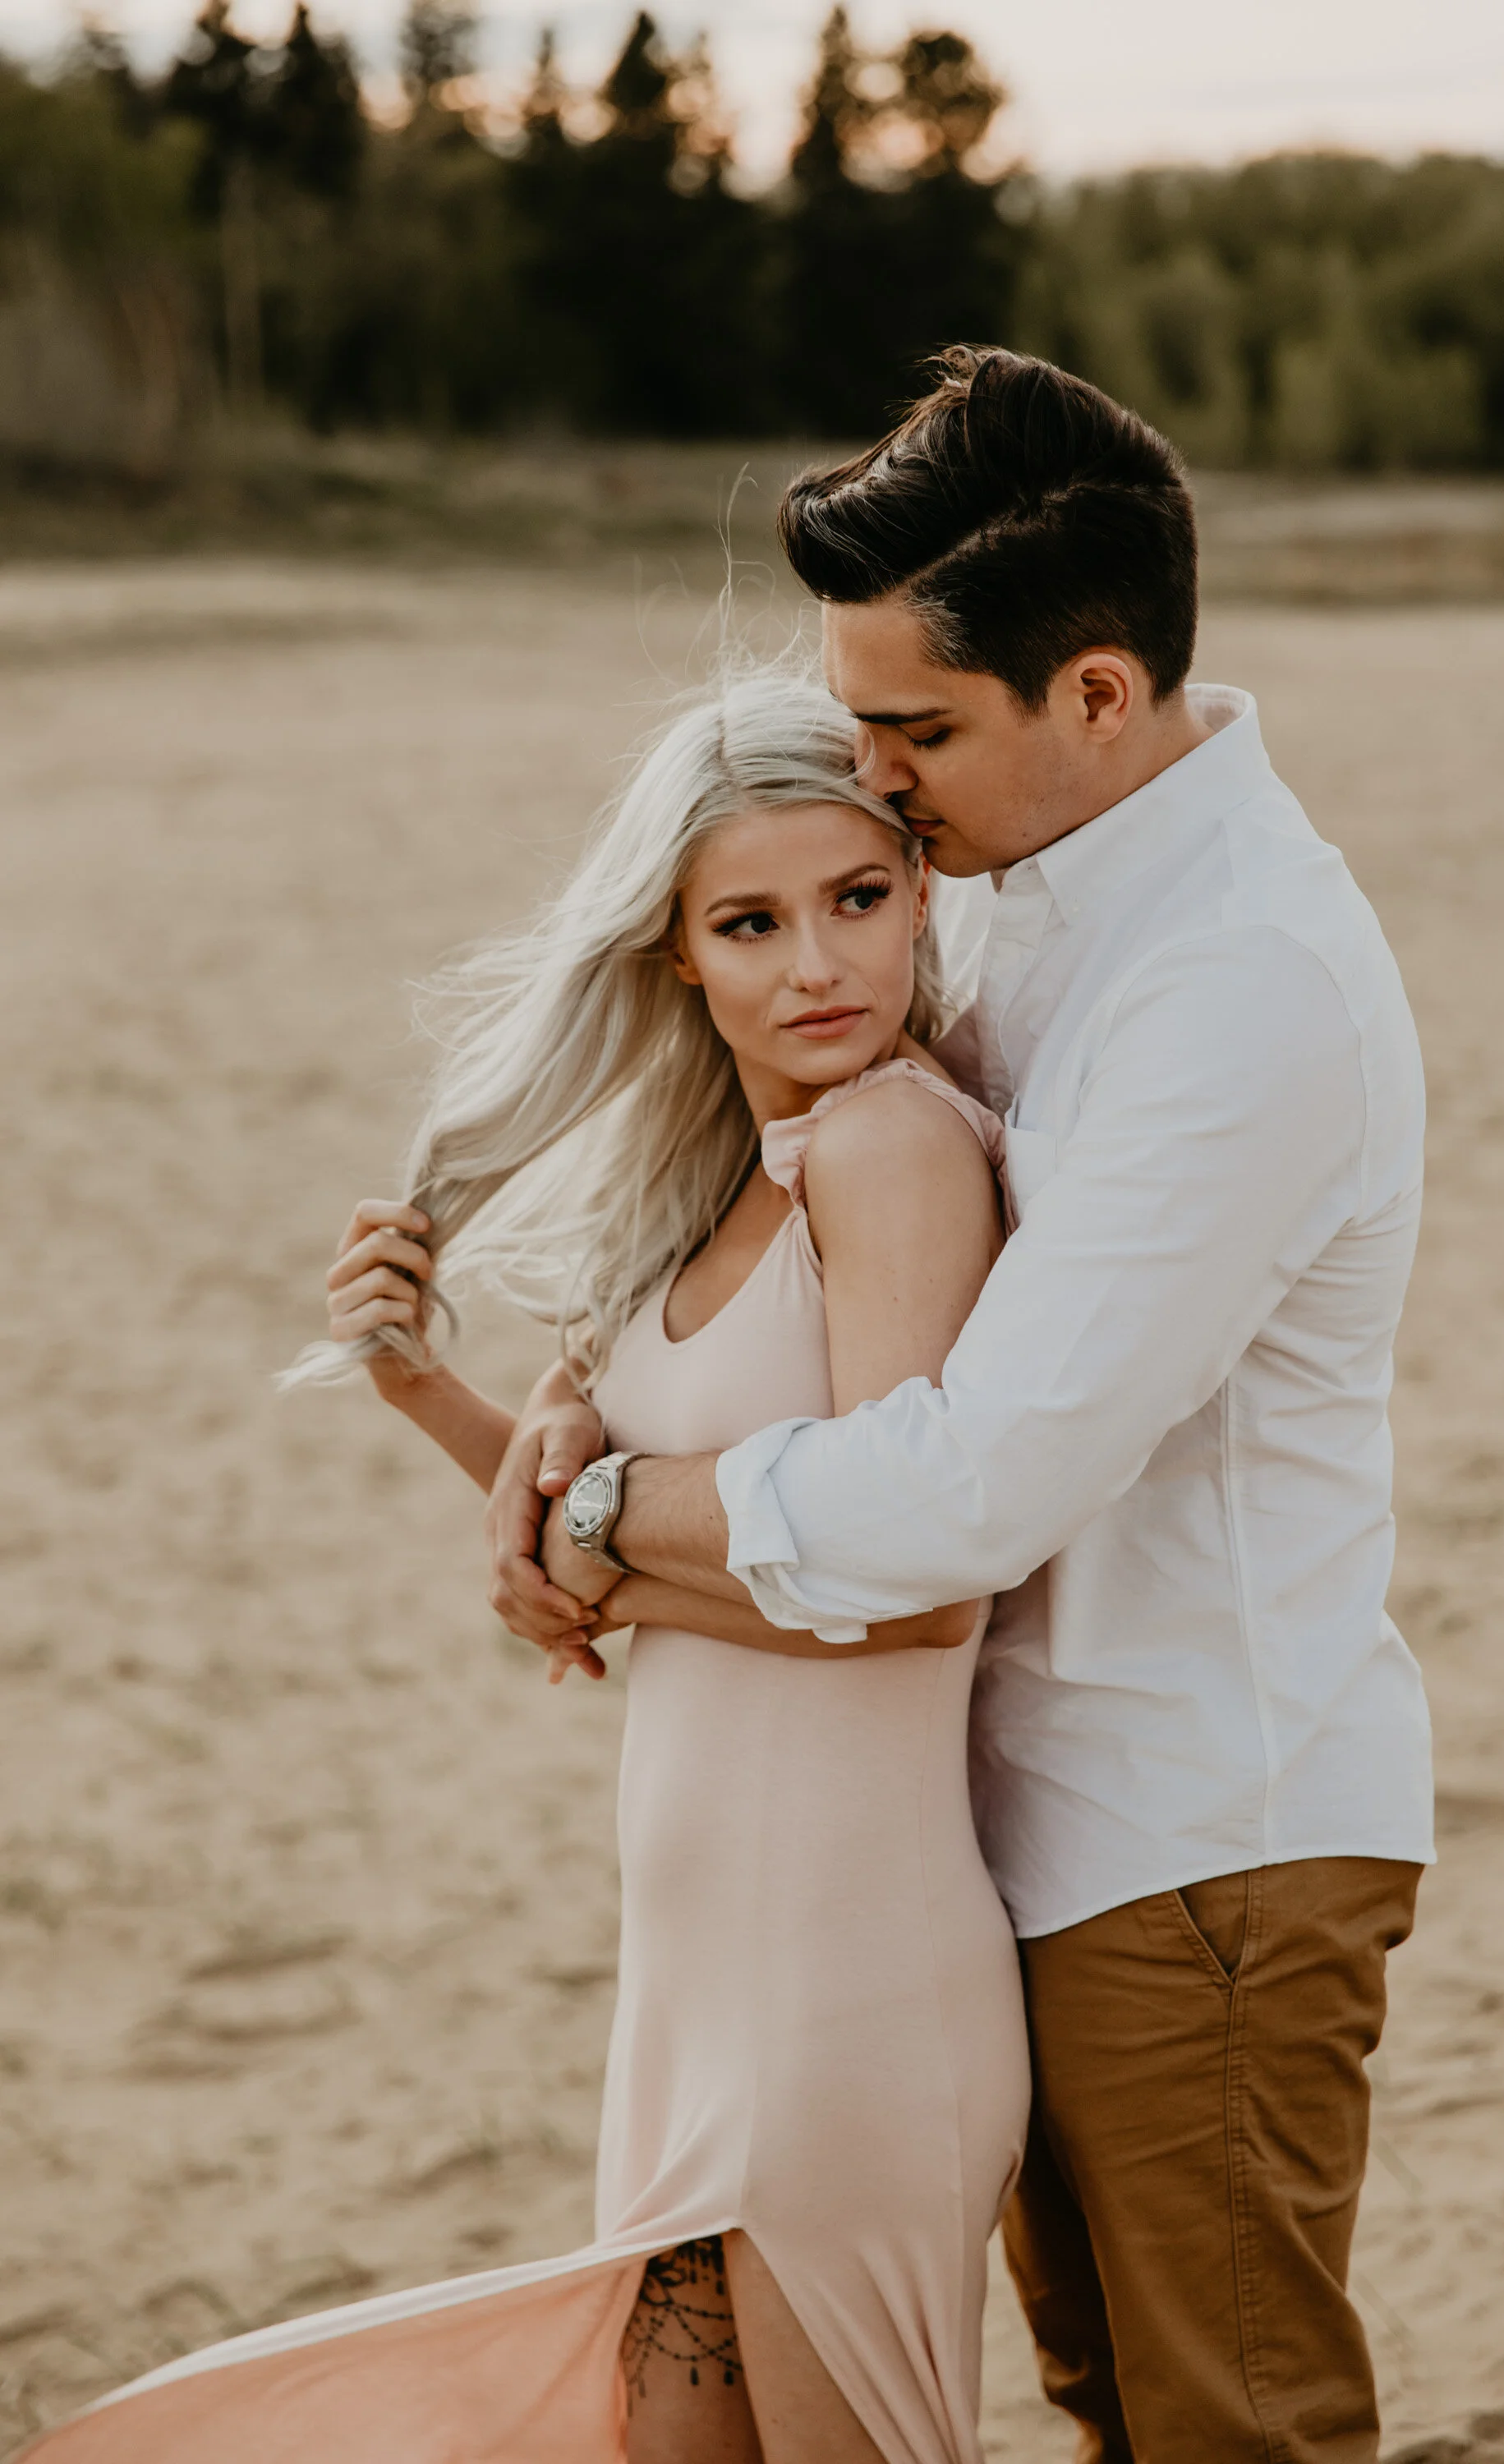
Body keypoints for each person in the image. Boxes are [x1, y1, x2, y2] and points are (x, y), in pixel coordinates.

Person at [495, 348, 1436, 2464]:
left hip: (1200, 1840)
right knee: (1119, 2410)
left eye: (915, 733)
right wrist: (568, 1392)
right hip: (1025, 1834)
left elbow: (966, 1492)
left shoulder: (1235, 986)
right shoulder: (1047, 900)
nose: (878, 781)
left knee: (1230, 2431)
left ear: (1094, 693)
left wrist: (607, 1511)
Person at [23, 675, 1029, 2464]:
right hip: (697, 1987)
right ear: (676, 956)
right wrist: (426, 1390)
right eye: (752, 922)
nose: (818, 965)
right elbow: (603, 1550)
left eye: (859, 897)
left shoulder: (889, 1143)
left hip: (847, 1988)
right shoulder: (721, 1187)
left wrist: (595, 1540)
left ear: (918, 896)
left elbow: (915, 1590)